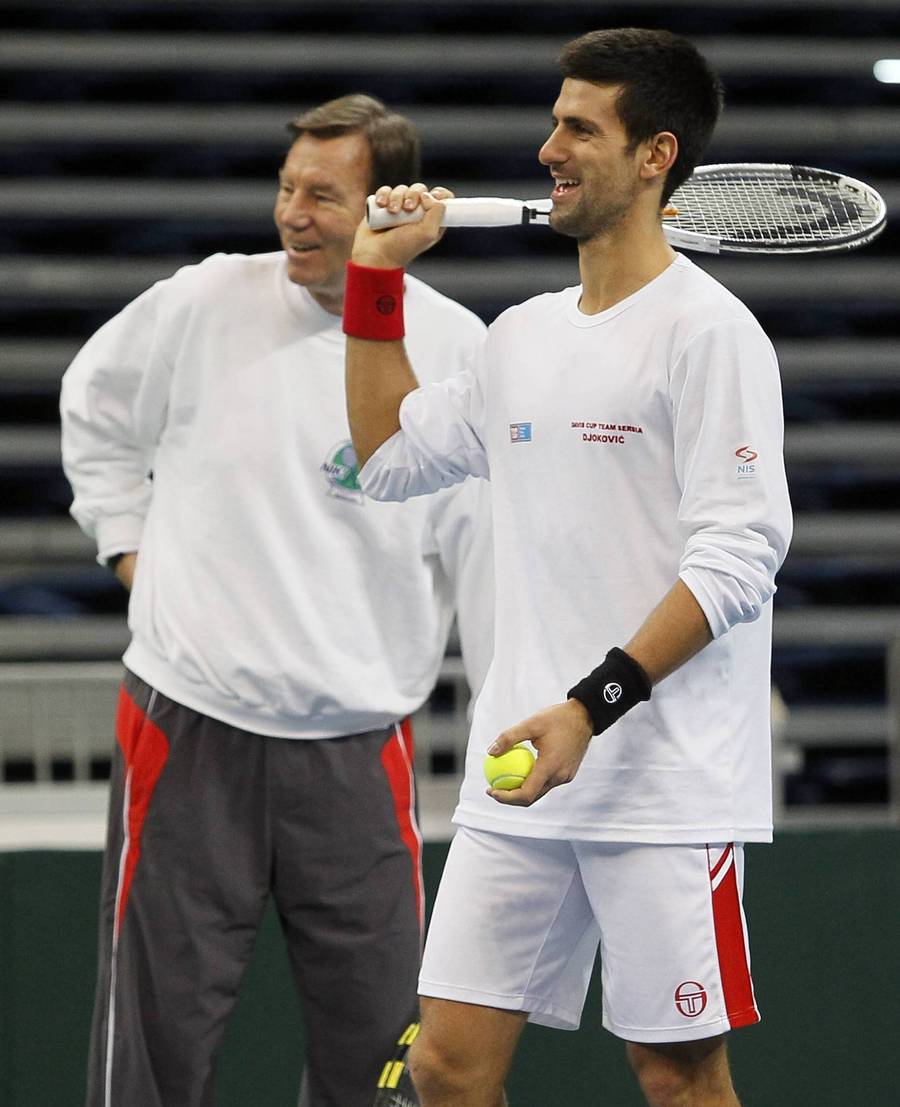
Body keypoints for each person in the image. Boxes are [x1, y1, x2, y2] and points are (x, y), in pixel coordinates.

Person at [343, 29, 792, 1107]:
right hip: (522, 769)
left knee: (677, 1077)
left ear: (655, 155)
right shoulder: (520, 337)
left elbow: (740, 557)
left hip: (662, 783)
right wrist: (373, 280)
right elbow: (388, 458)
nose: (549, 148)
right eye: (554, 123)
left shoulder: (711, 334)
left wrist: (592, 708)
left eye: (580, 129)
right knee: (446, 1070)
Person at [60, 94, 492, 1107]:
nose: (293, 214)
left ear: (385, 207)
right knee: (152, 1046)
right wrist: (130, 550)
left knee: (383, 1054)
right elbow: (94, 414)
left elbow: (483, 552)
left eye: (323, 196)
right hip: (186, 723)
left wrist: (502, 713)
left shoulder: (457, 348)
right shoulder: (202, 302)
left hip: (359, 746)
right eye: (287, 188)